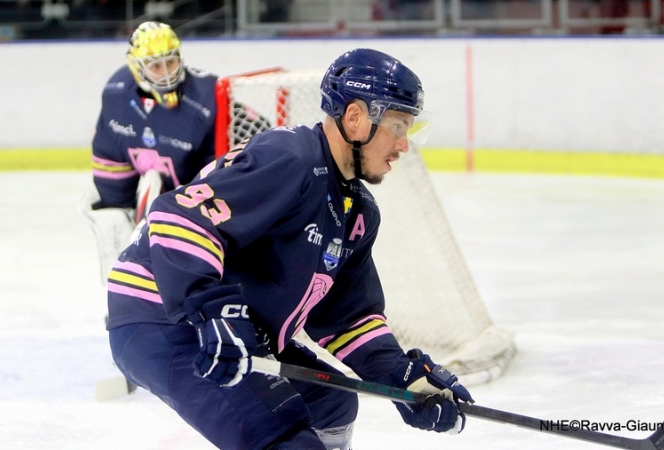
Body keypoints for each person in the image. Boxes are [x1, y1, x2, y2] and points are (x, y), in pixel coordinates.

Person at [105, 48, 471, 450]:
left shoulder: (357, 213)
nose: (404, 145)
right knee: (283, 435)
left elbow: (349, 319)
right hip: (161, 317)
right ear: (355, 117)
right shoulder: (291, 159)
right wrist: (213, 312)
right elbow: (177, 217)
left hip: (228, 328)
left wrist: (403, 377)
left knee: (332, 404)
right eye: (398, 126)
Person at [82, 21, 218, 283]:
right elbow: (110, 156)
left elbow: (238, 149)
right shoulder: (116, 94)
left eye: (171, 62)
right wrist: (118, 205)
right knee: (113, 219)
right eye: (156, 66)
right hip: (155, 196)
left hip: (194, 202)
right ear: (136, 66)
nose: (166, 73)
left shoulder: (207, 98)